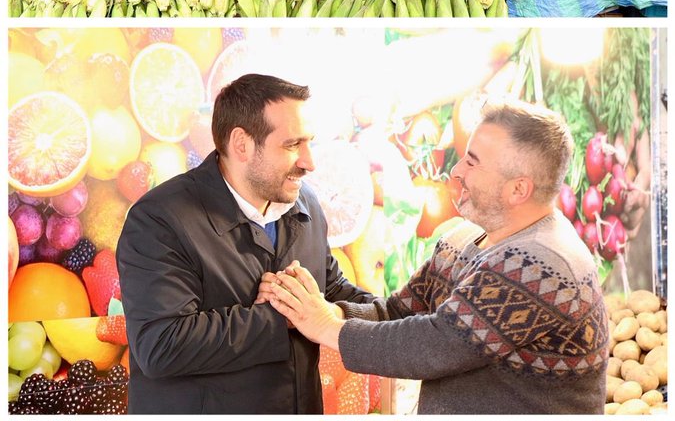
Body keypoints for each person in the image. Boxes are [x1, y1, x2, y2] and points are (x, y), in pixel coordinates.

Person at [262, 101, 610, 415]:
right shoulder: (462, 237)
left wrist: (326, 325)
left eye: (473, 163)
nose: (457, 172)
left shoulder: (542, 264)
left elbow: (432, 345)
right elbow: (397, 314)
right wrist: (316, 310)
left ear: (518, 189)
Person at [116, 73, 372, 415]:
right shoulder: (158, 219)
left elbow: (329, 289)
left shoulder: (305, 202)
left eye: (309, 142)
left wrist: (406, 315)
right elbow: (161, 346)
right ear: (242, 144)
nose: (310, 162)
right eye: (293, 144)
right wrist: (281, 316)